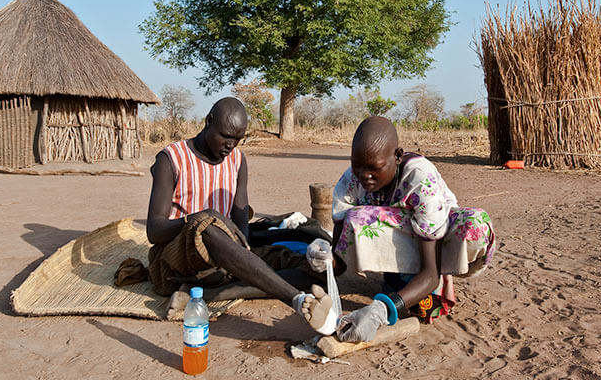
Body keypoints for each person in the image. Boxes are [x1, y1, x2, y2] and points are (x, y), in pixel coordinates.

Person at [146, 97, 337, 334]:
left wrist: (244, 253)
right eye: (226, 136)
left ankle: (206, 294)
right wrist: (199, 217)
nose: (231, 145)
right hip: (180, 257)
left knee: (316, 271)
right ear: (208, 122)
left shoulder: (237, 160)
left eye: (237, 139)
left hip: (225, 256)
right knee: (206, 224)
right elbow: (154, 230)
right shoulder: (171, 158)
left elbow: (239, 221)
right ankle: (297, 300)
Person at [322, 116, 496, 343]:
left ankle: (405, 283)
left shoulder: (420, 179)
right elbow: (339, 260)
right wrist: (325, 260)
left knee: (475, 225)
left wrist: (381, 310)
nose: (364, 175)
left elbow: (430, 275)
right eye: (357, 166)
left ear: (397, 156)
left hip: (435, 247)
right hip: (402, 238)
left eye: (374, 168)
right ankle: (396, 277)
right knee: (355, 217)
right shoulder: (351, 180)